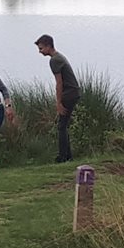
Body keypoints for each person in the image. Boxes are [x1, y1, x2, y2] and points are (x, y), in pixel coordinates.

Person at [35, 34, 80, 163]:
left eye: (41, 48)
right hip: (73, 93)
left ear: (49, 46)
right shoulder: (59, 57)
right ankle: (68, 156)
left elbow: (59, 83)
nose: (40, 51)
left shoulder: (54, 60)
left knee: (61, 126)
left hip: (69, 94)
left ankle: (62, 157)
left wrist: (58, 102)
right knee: (63, 125)